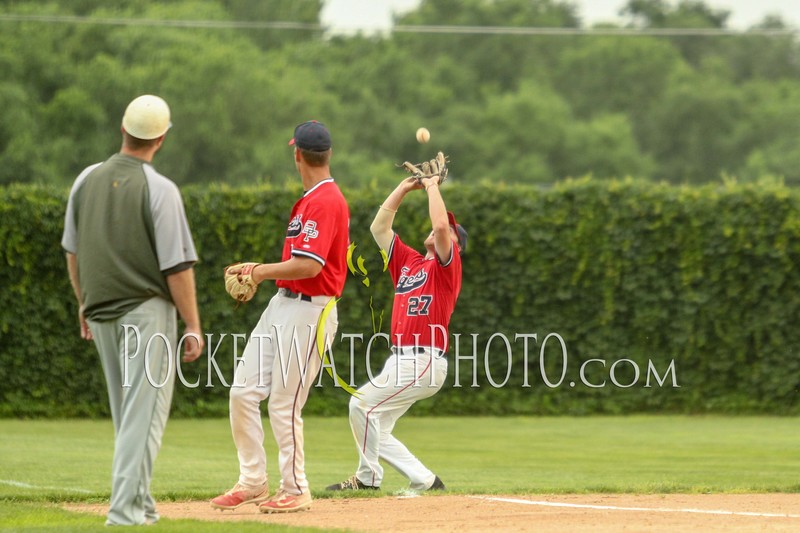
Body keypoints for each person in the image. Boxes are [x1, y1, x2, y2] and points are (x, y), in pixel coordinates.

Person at [61, 94, 204, 526]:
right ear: (161, 138)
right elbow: (177, 268)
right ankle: (124, 512)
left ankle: (140, 505)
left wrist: (82, 300)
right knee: (145, 415)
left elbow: (72, 250)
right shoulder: (159, 188)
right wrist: (193, 324)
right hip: (146, 311)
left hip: (100, 307)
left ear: (123, 129)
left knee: (129, 416)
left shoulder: (86, 179)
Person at [211, 121, 350, 514]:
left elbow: (308, 266)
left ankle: (296, 488)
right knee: (242, 391)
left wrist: (257, 271)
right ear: (328, 154)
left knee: (284, 403)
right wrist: (263, 272)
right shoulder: (312, 198)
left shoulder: (325, 200)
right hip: (283, 305)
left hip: (311, 309)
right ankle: (253, 480)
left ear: (296, 155)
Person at [326, 166, 466, 492]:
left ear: (456, 246)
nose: (440, 232)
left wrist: (432, 186)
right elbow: (379, 228)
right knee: (377, 427)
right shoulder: (410, 262)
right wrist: (403, 189)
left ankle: (366, 478)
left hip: (424, 360)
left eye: (451, 233)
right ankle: (426, 480)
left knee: (360, 404)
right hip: (400, 360)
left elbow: (442, 225)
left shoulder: (448, 267)